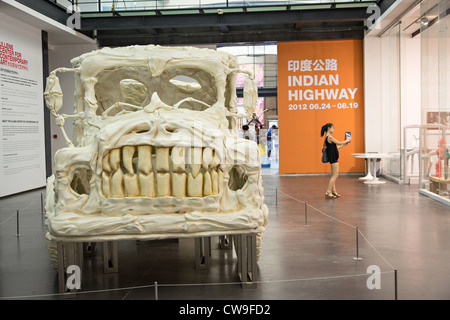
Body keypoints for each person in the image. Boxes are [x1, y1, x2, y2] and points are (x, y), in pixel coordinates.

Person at [321, 123, 351, 199]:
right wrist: (347, 140)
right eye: (333, 128)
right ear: (329, 128)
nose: (333, 129)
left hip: (333, 158)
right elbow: (339, 142)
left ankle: (333, 191)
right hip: (333, 158)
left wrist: (344, 144)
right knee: (335, 175)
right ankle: (328, 192)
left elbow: (335, 148)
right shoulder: (329, 137)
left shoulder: (327, 137)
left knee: (333, 175)